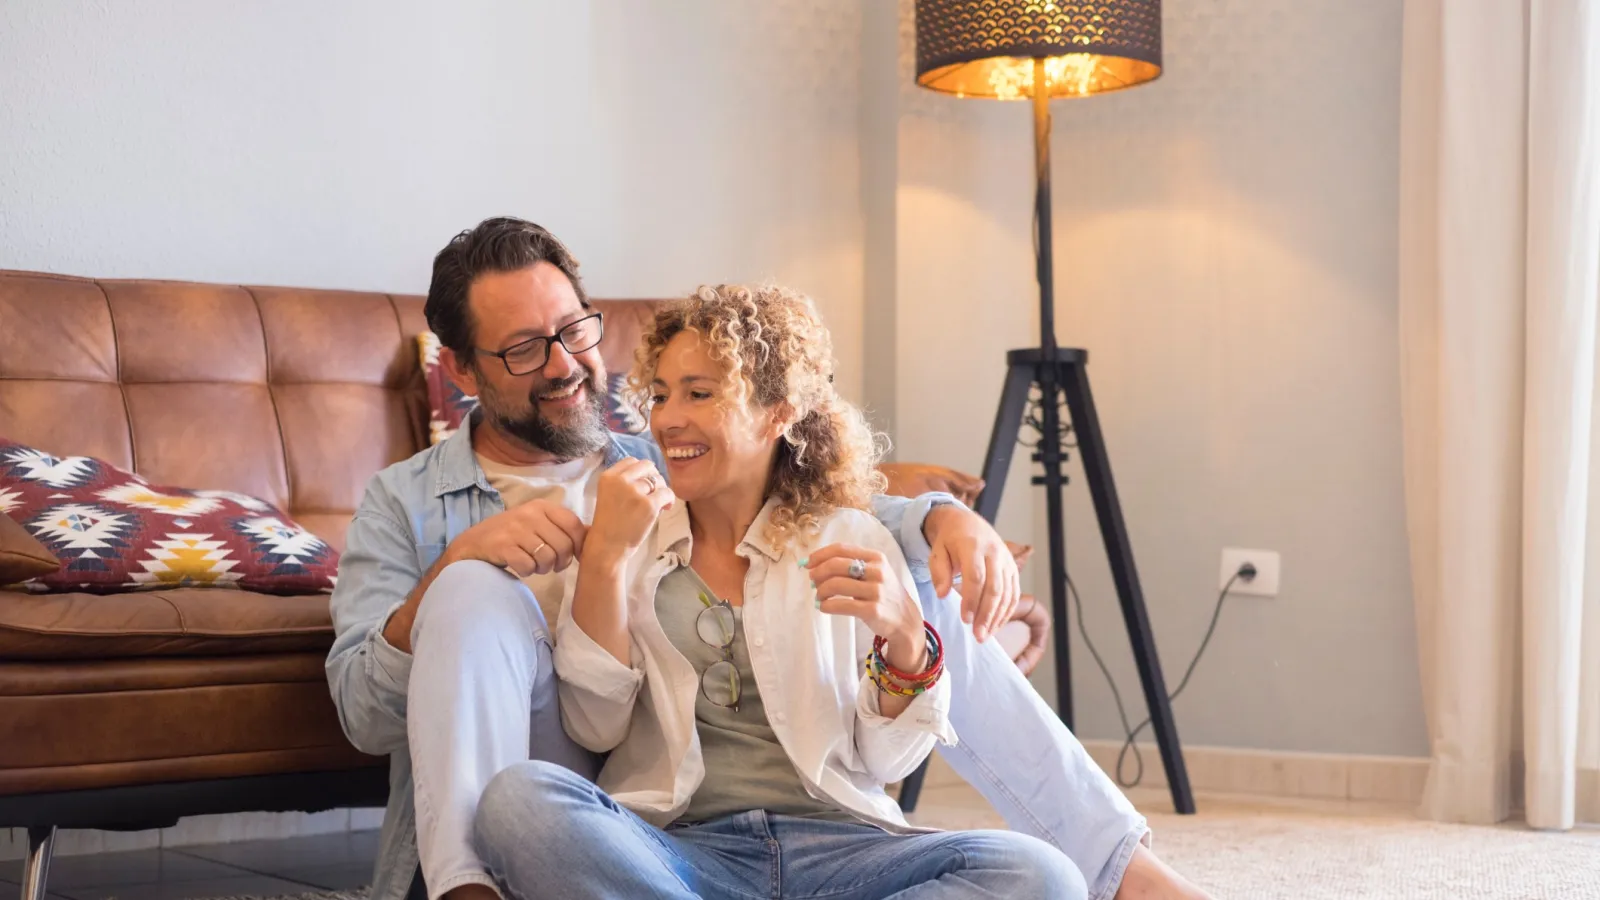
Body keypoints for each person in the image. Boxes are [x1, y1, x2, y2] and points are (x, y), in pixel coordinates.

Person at [325, 217, 1208, 900]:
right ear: (464, 372)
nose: (565, 365)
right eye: (523, 349)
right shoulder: (405, 502)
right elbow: (366, 716)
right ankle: (471, 889)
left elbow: (824, 509)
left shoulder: (654, 449)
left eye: (577, 332)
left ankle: (1120, 867)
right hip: (597, 792)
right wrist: (453, 573)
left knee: (921, 595)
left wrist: (942, 520)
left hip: (782, 827)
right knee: (475, 602)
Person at [473, 283, 1086, 898]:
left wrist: (906, 639)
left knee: (1041, 874)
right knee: (519, 803)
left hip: (844, 849)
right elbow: (594, 727)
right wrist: (604, 558)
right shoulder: (627, 537)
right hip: (680, 853)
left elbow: (887, 762)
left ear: (779, 412)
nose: (667, 418)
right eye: (659, 395)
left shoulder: (854, 537)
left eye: (700, 393)